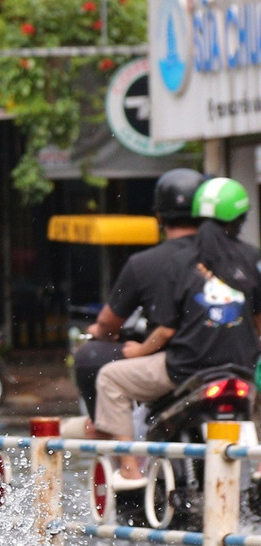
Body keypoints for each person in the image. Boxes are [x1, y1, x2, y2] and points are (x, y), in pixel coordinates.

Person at [93, 177, 261, 489]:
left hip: (185, 369)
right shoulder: (252, 257)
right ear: (242, 218)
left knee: (109, 378)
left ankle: (130, 473)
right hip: (242, 368)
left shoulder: (179, 261)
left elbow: (166, 329)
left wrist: (137, 351)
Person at [62, 168, 206, 439]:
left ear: (159, 216)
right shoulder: (230, 258)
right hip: (232, 357)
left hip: (177, 362)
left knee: (90, 359)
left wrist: (131, 346)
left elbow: (161, 329)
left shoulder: (153, 264)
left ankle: (116, 448)